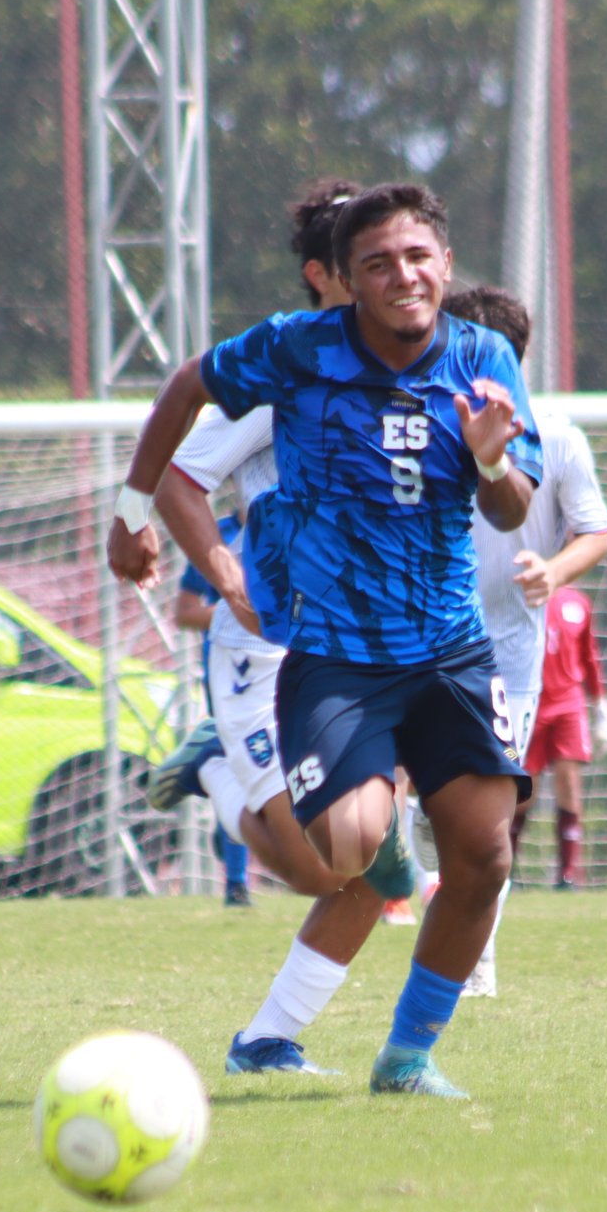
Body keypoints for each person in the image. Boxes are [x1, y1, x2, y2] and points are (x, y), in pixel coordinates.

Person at [108, 182, 542, 1099]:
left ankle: (409, 1055)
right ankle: (359, 819)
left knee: (485, 854)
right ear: (344, 278)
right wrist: (131, 508)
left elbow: (511, 507)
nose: (403, 276)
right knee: (345, 854)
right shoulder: (296, 352)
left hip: (450, 650)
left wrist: (492, 455)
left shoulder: (482, 357)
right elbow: (188, 385)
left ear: (446, 265)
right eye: (377, 263)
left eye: (418, 258)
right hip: (337, 654)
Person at [140, 178, 420, 1075]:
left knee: (371, 866)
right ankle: (217, 770)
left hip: (384, 647)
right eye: (365, 262)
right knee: (315, 868)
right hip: (272, 653)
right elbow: (181, 474)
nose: (390, 279)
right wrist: (223, 577)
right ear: (326, 276)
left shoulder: (422, 366)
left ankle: (268, 1040)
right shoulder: (281, 379)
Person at [424, 285, 607, 995]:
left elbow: (596, 531)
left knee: (492, 813)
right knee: (407, 801)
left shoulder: (558, 437)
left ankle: (476, 968)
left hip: (510, 650)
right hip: (418, 637)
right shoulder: (424, 428)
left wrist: (553, 572)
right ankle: (404, 881)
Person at [171, 511, 255, 907]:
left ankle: (233, 820)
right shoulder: (213, 532)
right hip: (231, 670)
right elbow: (185, 612)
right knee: (241, 768)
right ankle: (236, 883)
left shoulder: (297, 514)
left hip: (287, 663)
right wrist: (239, 612)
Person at [518, 582, 607, 892]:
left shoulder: (578, 602)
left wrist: (601, 708)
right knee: (523, 788)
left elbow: (589, 657)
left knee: (568, 781)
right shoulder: (521, 593)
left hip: (568, 704)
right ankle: (503, 870)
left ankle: (568, 876)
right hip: (530, 703)